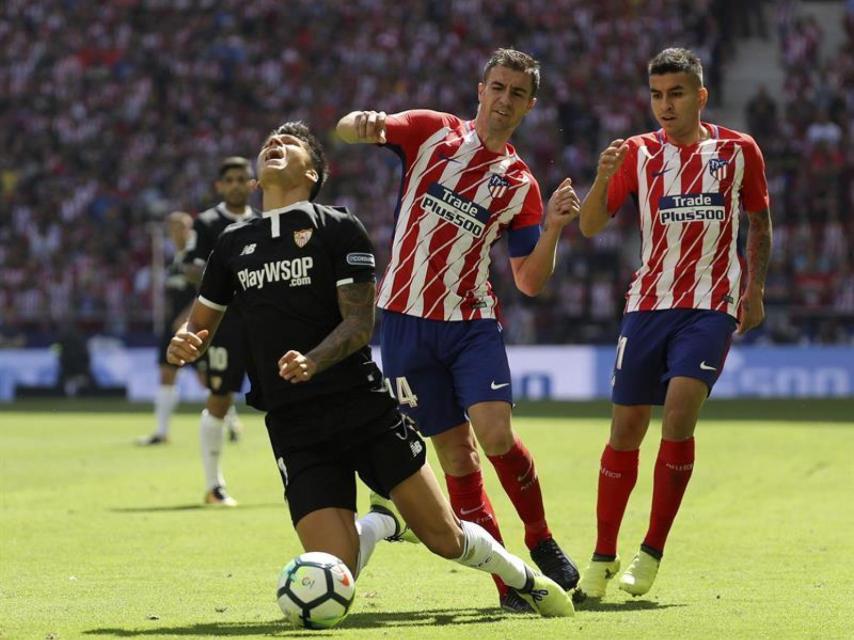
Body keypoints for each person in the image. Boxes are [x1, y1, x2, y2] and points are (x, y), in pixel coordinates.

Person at [166, 121, 574, 618]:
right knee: (335, 569)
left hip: (360, 407)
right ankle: (383, 523)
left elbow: (360, 323)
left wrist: (313, 360)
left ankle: (522, 577)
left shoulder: (337, 227)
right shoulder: (232, 244)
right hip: (292, 422)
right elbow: (202, 322)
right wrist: (186, 340)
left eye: (289, 143)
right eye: (268, 141)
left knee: (445, 539)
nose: (274, 144)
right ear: (255, 181)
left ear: (312, 173)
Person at [336, 48, 580, 611]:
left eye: (517, 94)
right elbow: (356, 128)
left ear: (529, 105)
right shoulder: (429, 134)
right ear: (481, 89)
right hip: (402, 324)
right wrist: (361, 123)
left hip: (471, 324)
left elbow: (529, 281)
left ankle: (540, 538)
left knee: (495, 435)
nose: (505, 100)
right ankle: (508, 583)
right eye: (498, 87)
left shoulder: (520, 184)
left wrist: (555, 231)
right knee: (457, 458)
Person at [576, 47, 772, 599]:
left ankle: (652, 551)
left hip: (711, 303)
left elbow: (760, 222)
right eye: (658, 95)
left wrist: (753, 291)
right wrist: (601, 177)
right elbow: (590, 227)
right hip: (647, 305)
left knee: (679, 413)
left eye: (677, 93)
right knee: (625, 430)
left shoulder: (738, 150)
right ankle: (602, 556)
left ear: (700, 96)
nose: (665, 105)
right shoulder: (636, 154)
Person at [183, 157, 258, 506]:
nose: (236, 184)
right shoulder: (208, 223)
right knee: (220, 397)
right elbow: (189, 266)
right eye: (229, 179)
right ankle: (214, 486)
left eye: (242, 178)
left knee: (286, 399)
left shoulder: (263, 223)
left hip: (262, 323)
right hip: (224, 326)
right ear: (219, 186)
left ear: (253, 184)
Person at [137, 211, 206, 446]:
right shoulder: (173, 261)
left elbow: (205, 291)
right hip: (173, 325)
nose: (179, 231)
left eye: (183, 227)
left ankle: (230, 421)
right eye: (174, 227)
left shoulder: (195, 259)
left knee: (207, 380)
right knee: (166, 374)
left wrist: (187, 318)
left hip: (193, 325)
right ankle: (161, 431)